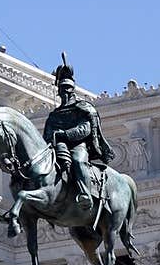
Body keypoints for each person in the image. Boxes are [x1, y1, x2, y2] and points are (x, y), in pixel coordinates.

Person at [43, 54, 115, 209]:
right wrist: (52, 139)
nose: (64, 93)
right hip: (58, 147)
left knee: (78, 161)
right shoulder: (54, 115)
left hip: (78, 146)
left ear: (72, 90)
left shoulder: (82, 108)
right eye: (62, 90)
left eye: (67, 89)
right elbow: (47, 134)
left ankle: (85, 193)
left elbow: (85, 129)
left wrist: (64, 134)